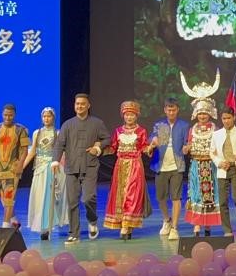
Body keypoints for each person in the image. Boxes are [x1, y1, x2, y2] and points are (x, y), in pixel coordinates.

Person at [52, 93, 109, 244]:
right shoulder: (67, 124)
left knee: (89, 197)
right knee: (72, 201)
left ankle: (92, 221)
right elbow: (59, 144)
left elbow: (107, 139)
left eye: (83, 104)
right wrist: (55, 161)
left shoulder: (97, 123)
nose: (80, 106)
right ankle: (74, 234)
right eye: (77, 104)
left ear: (88, 106)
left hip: (89, 166)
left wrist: (98, 147)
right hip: (72, 167)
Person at [182, 71, 223, 236]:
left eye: (205, 113)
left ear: (210, 113)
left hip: (211, 166)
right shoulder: (192, 129)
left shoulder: (215, 128)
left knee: (211, 194)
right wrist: (186, 148)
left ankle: (208, 225)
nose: (202, 116)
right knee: (197, 194)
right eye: (200, 113)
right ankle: (197, 224)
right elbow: (189, 144)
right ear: (196, 114)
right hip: (196, 166)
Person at [102, 100, 151, 240]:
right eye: (127, 115)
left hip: (135, 165)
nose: (129, 117)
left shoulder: (141, 131)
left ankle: (126, 224)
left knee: (132, 194)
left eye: (132, 115)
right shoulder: (118, 131)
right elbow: (113, 147)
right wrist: (100, 149)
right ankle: (125, 225)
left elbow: (144, 147)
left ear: (136, 116)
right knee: (120, 195)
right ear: (123, 116)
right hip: (120, 166)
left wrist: (150, 147)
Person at [147, 97, 190, 241]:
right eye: (169, 110)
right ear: (165, 110)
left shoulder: (184, 125)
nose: (171, 112)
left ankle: (175, 228)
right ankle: (167, 220)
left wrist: (186, 147)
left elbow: (187, 142)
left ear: (177, 110)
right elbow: (152, 137)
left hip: (177, 166)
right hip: (161, 165)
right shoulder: (159, 125)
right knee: (161, 197)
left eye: (174, 110)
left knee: (176, 197)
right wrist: (153, 141)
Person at [22, 107, 68, 241]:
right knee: (39, 196)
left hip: (52, 168)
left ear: (53, 118)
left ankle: (49, 226)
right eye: (44, 116)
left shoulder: (57, 133)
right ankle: (43, 226)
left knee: (50, 197)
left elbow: (62, 152)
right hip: (39, 169)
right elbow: (32, 151)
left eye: (49, 116)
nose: (46, 119)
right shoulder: (37, 133)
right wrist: (22, 167)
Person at [210, 108, 236, 236]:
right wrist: (219, 163)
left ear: (234, 117)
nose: (226, 121)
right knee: (223, 201)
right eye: (224, 118)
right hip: (223, 169)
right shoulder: (216, 134)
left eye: (229, 118)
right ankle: (227, 230)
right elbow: (212, 152)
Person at [0, 103, 30, 228]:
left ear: (14, 115)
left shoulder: (21, 130)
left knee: (9, 197)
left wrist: (20, 165)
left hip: (13, 168)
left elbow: (25, 150)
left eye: (10, 115)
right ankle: (13, 219)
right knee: (1, 195)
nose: (7, 117)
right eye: (5, 115)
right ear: (2, 114)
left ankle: (5, 226)